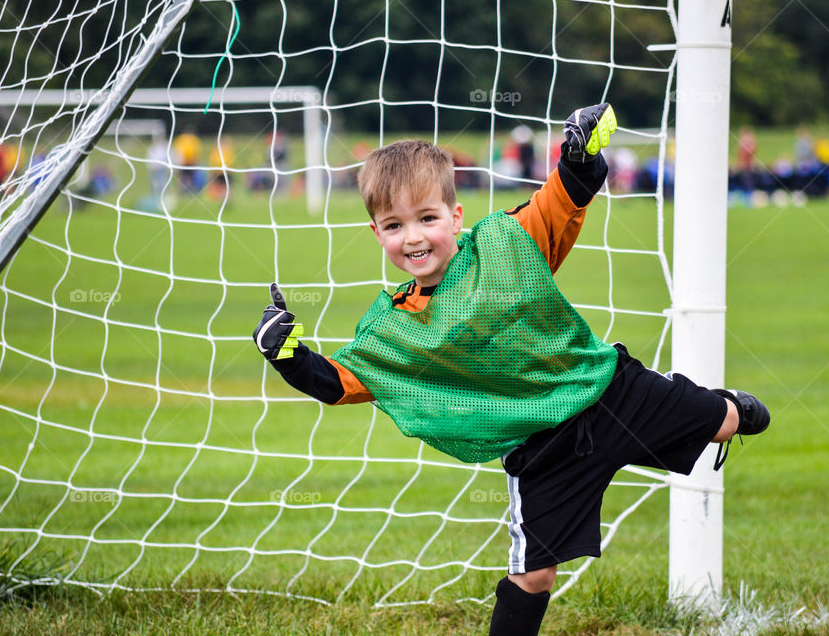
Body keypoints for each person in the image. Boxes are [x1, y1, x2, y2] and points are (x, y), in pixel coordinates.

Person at [251, 104, 770, 636]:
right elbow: (342, 382)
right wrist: (285, 352)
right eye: (394, 225)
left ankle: (723, 405)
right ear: (376, 232)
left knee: (734, 421)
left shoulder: (505, 243)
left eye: (426, 218)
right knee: (533, 575)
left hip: (609, 392)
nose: (413, 237)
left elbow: (562, 198)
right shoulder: (394, 328)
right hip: (543, 448)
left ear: (455, 217)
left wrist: (580, 151)